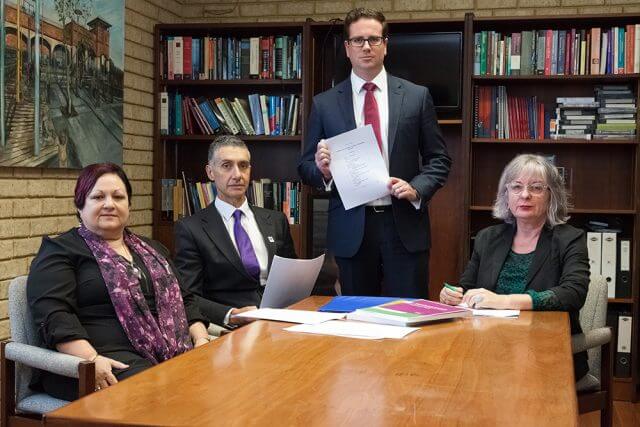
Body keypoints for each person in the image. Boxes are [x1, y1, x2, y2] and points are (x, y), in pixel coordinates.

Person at [298, 8, 451, 298]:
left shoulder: (416, 96)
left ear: (385, 44)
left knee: (409, 317)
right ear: (347, 48)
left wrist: (417, 188)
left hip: (404, 224)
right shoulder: (325, 104)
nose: (366, 46)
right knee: (357, 319)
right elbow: (304, 165)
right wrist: (324, 172)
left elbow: (439, 159)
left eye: (373, 39)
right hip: (352, 228)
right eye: (358, 40)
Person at [27, 163, 210, 401]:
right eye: (98, 197)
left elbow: (185, 300)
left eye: (118, 196)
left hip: (167, 353)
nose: (109, 204)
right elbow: (55, 316)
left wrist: (201, 340)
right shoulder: (59, 251)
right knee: (169, 394)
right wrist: (92, 361)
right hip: (99, 362)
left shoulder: (153, 250)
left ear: (129, 205)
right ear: (80, 205)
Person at [440, 154, 590, 380]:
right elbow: (467, 287)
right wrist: (453, 294)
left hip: (544, 352)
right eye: (517, 187)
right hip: (486, 346)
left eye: (537, 187)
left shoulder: (570, 239)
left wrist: (504, 301)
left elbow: (573, 294)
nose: (525, 194)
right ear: (506, 195)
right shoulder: (487, 238)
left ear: (552, 196)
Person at [174, 135, 297, 328]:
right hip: (231, 325)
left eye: (243, 165)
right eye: (226, 166)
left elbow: (291, 278)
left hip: (280, 319)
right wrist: (230, 315)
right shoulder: (191, 228)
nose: (237, 174)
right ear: (210, 172)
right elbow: (188, 296)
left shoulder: (275, 220)